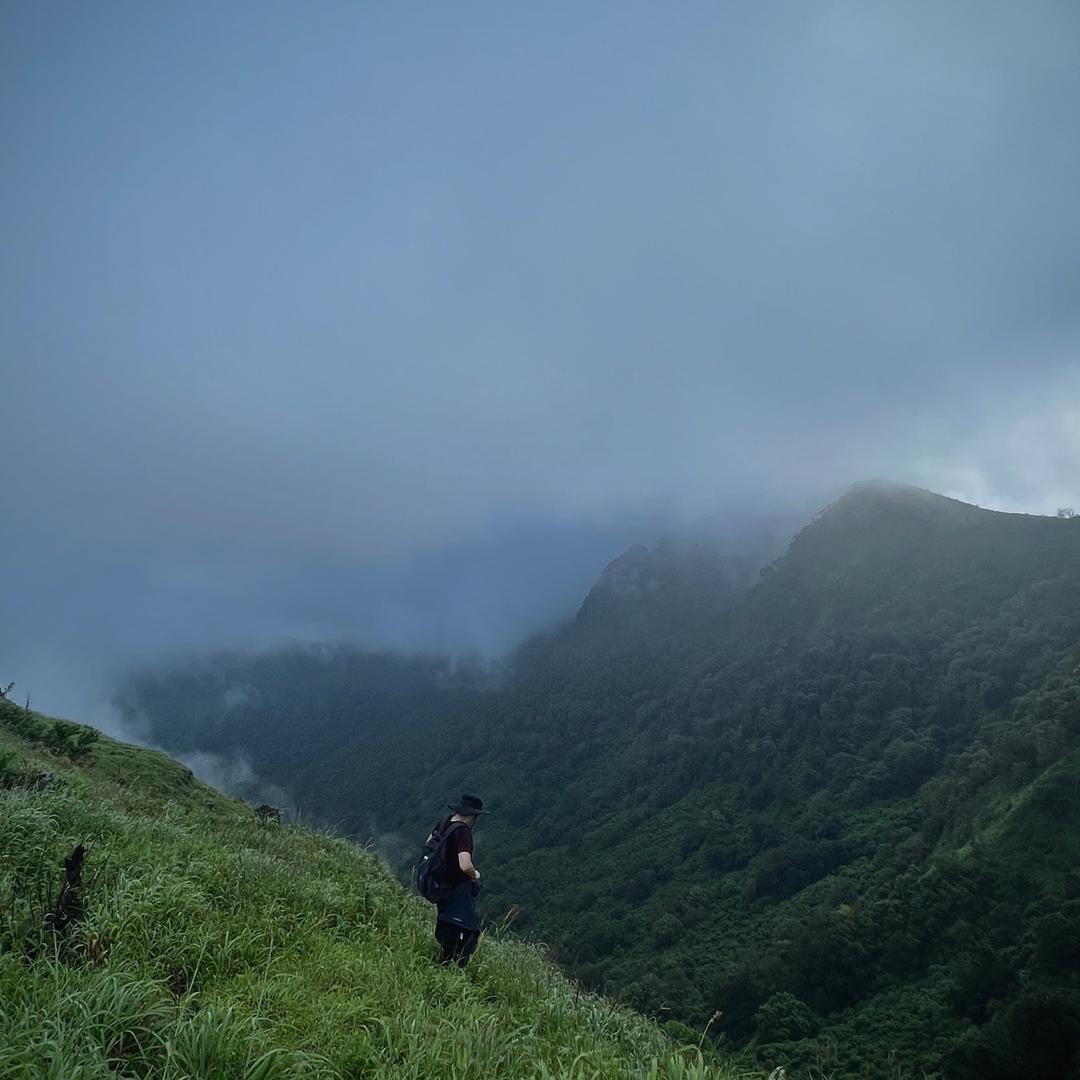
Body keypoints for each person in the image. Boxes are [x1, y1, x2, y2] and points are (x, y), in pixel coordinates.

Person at [430, 793, 488, 967]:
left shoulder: (444, 822)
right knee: (469, 930)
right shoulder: (463, 832)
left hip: (440, 884)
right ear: (472, 815)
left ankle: (443, 961)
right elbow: (465, 864)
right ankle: (455, 966)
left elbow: (429, 844)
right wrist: (475, 874)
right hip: (456, 887)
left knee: (447, 923)